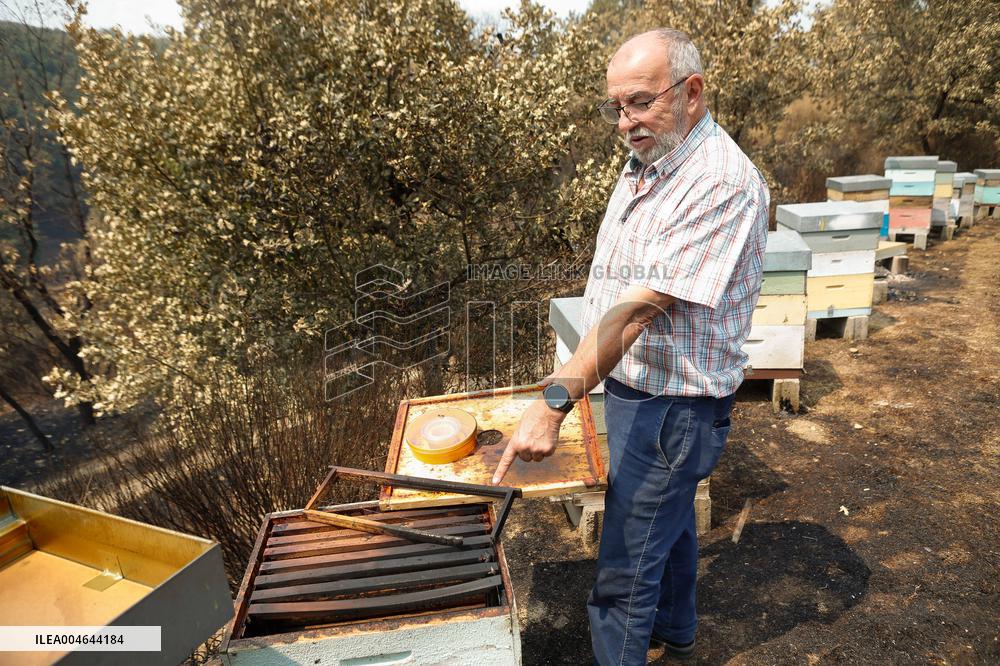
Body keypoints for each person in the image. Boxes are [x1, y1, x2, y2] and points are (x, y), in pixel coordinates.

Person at [492, 28, 770, 664]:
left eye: (640, 101)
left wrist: (555, 399)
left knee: (622, 569)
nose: (625, 121)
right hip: (637, 388)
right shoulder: (654, 154)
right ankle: (677, 632)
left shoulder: (718, 182)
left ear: (692, 92)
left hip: (673, 405)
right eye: (616, 106)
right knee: (662, 531)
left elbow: (641, 308)